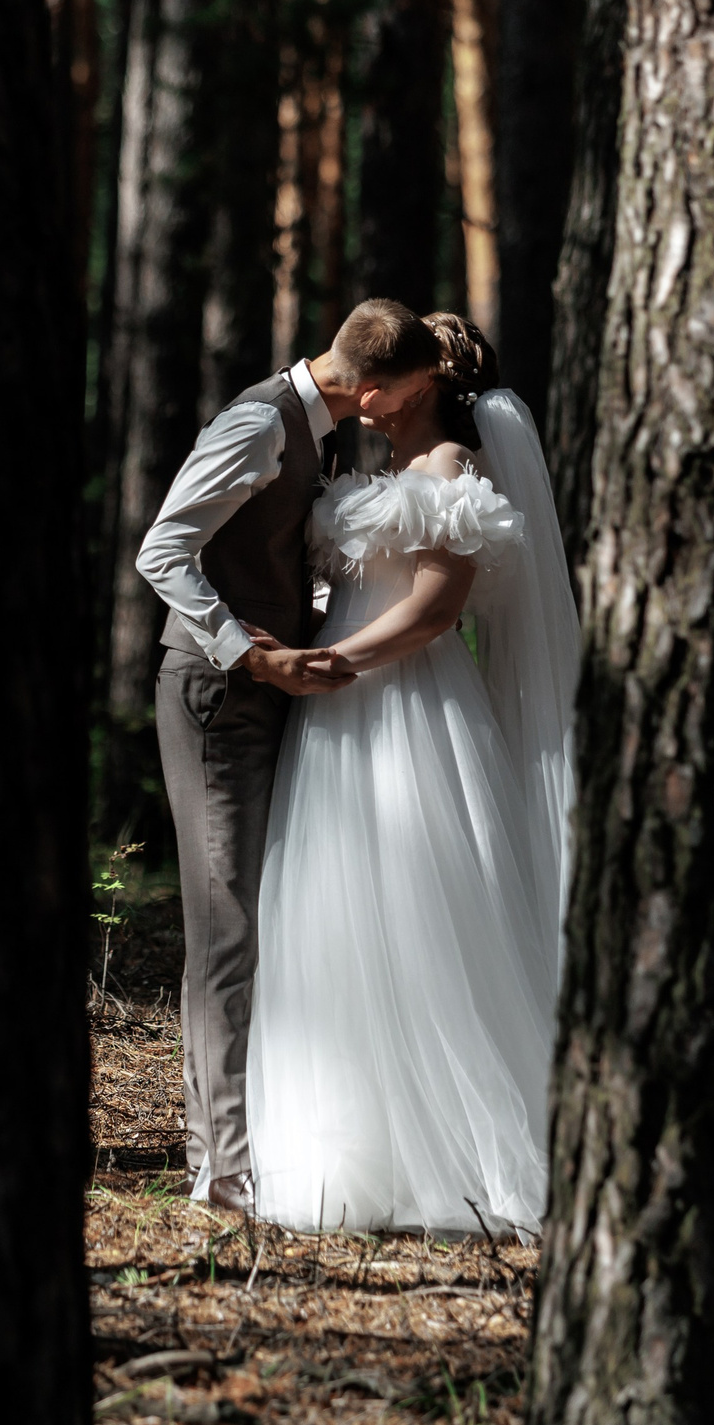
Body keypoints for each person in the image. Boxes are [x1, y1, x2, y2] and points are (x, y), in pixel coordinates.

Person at [244, 313, 578, 1234]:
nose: (365, 396)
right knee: (339, 912)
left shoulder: (452, 470)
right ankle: (354, 1149)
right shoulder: (386, 468)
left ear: (425, 383)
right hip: (340, 712)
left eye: (385, 382)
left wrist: (334, 659)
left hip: (408, 705)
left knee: (421, 910)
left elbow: (435, 610)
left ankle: (457, 1151)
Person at [137, 299, 443, 1214]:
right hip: (214, 695)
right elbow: (163, 549)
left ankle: (247, 1142)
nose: (407, 411)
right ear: (374, 388)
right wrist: (251, 653)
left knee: (264, 916)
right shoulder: (258, 423)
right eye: (410, 394)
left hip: (266, 697)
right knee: (226, 926)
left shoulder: (321, 433)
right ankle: (220, 1169)